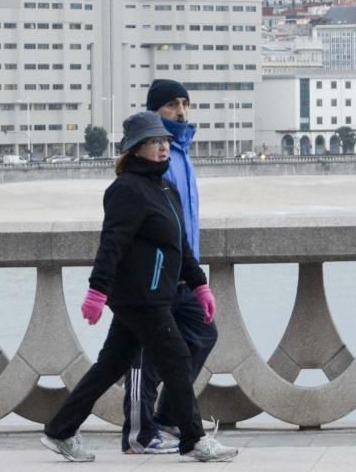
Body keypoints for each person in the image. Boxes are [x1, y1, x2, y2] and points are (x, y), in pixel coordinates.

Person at [41, 111, 237, 463]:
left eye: (164, 141)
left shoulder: (165, 187)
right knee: (176, 358)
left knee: (111, 364)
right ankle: (193, 439)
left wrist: (200, 286)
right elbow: (111, 243)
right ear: (135, 149)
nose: (162, 147)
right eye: (153, 142)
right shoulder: (126, 190)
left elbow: (180, 245)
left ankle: (60, 430)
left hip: (155, 293)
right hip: (140, 297)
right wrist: (96, 292)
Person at [120, 80, 219, 454]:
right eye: (172, 105)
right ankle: (140, 433)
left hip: (184, 274)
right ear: (153, 112)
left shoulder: (182, 152)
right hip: (155, 276)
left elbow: (183, 220)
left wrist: (195, 276)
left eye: (185, 104)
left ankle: (168, 415)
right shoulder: (156, 155)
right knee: (144, 355)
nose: (181, 111)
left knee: (203, 334)